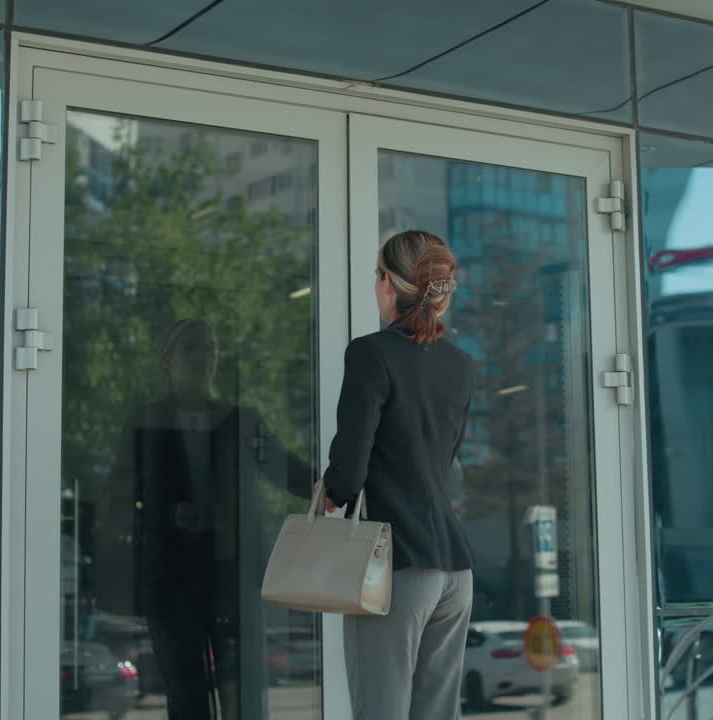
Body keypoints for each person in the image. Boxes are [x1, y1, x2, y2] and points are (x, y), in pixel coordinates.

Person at [103, 318, 313, 720]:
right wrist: (161, 516)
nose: (205, 357)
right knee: (184, 687)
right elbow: (119, 493)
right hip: (167, 575)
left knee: (238, 682)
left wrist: (337, 488)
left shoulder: (240, 420)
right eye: (192, 348)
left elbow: (285, 469)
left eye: (210, 348)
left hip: (229, 572)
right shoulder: (145, 422)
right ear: (167, 360)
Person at [322, 230, 476, 720]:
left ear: (387, 283)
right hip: (454, 568)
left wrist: (331, 492)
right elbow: (445, 455)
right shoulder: (460, 363)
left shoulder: (371, 353)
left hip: (395, 567)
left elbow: (350, 465)